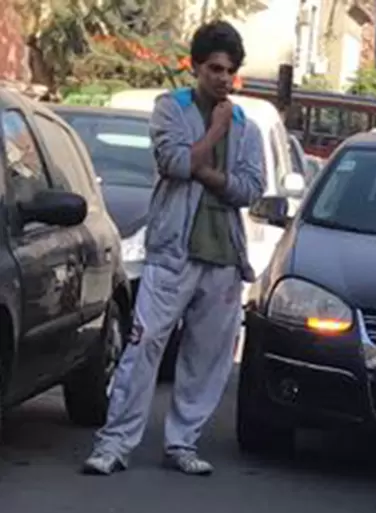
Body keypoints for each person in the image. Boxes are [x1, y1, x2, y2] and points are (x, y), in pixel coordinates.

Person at [82, 21, 265, 476]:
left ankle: (182, 442)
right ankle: (115, 443)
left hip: (223, 256)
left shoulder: (247, 126)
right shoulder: (172, 109)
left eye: (230, 71)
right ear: (196, 67)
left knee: (207, 356)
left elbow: (250, 188)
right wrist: (212, 137)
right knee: (144, 346)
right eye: (215, 69)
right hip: (171, 252)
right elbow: (174, 162)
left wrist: (204, 168)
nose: (223, 79)